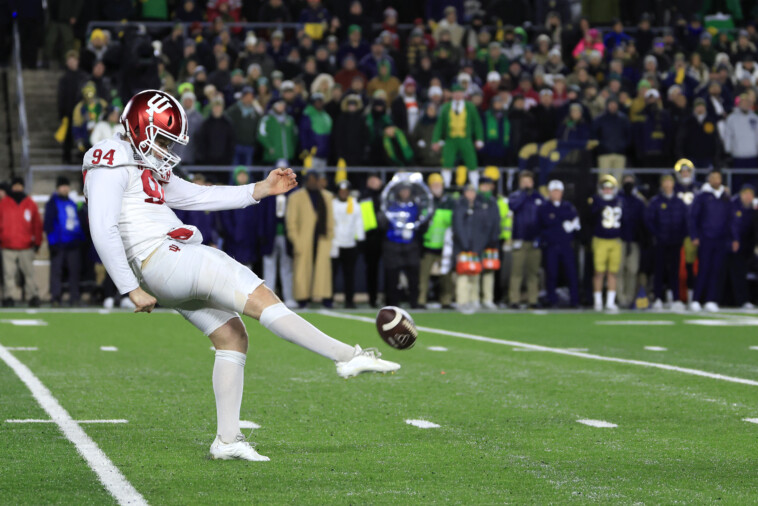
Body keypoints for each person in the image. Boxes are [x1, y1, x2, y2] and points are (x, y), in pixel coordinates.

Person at [83, 90, 397, 463]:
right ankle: (347, 356)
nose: (166, 148)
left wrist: (260, 189)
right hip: (162, 257)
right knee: (258, 293)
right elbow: (102, 226)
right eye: (162, 138)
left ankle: (227, 439)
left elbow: (198, 196)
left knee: (232, 337)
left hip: (164, 266)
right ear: (139, 127)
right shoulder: (109, 156)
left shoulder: (141, 163)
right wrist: (129, 288)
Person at [286, 170, 335, 307]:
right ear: (306, 180)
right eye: (311, 179)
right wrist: (296, 240)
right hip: (304, 239)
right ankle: (302, 298)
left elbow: (331, 220)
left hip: (322, 238)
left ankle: (325, 297)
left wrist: (331, 239)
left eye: (316, 179)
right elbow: (291, 222)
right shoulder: (295, 197)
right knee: (302, 270)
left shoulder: (327, 197)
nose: (313, 182)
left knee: (323, 270)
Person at [689, 170, 732, 312]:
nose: (716, 180)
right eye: (713, 177)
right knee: (703, 269)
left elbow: (730, 219)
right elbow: (693, 217)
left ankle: (710, 299)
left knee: (716, 270)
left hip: (720, 239)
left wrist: (729, 237)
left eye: (718, 177)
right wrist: (694, 235)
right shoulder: (701, 196)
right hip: (706, 238)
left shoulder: (725, 197)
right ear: (709, 180)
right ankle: (696, 299)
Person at [453, 183, 499, 313]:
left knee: (475, 273)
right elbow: (458, 226)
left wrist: (480, 244)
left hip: (477, 246)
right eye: (468, 192)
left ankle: (474, 300)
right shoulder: (460, 206)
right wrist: (465, 244)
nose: (471, 195)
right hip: (463, 246)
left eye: (473, 192)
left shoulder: (479, 207)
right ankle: (462, 301)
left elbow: (485, 227)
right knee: (463, 273)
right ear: (464, 193)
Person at [646, 174, 688, 310]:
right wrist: (657, 235)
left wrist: (681, 236)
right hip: (660, 242)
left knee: (674, 271)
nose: (668, 184)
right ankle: (658, 298)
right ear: (662, 184)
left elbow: (685, 221)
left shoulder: (679, 202)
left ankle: (675, 298)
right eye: (665, 182)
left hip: (675, 242)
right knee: (659, 270)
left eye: (670, 182)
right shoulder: (655, 201)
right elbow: (649, 221)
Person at [0, 177, 42, 307]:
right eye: (15, 185)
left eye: (19, 185)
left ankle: (33, 296)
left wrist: (37, 242)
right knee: (9, 275)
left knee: (29, 273)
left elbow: (37, 224)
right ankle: (9, 297)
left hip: (25, 245)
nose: (17, 188)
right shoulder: (3, 203)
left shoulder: (30, 203)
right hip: (7, 245)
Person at [432, 83, 484, 186]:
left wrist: (479, 138)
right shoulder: (446, 107)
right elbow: (439, 125)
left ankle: (475, 185)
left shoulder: (470, 106)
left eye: (460, 93)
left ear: (463, 94)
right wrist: (435, 140)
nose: (457, 95)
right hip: (450, 139)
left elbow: (477, 123)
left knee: (472, 162)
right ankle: (445, 186)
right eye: (455, 93)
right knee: (447, 163)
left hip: (465, 138)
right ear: (452, 94)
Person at [44, 176, 85, 306]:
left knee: (74, 272)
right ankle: (55, 297)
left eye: (66, 186)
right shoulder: (52, 203)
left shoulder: (72, 203)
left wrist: (81, 239)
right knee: (57, 272)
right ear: (57, 188)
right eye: (62, 186)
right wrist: (52, 242)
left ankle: (74, 297)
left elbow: (78, 223)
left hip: (73, 243)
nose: (65, 188)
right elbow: (48, 224)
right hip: (59, 243)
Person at [538, 180, 580, 308]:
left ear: (562, 192)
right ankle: (552, 300)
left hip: (566, 245)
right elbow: (545, 222)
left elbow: (575, 219)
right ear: (550, 192)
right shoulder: (544, 207)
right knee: (551, 273)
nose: (556, 193)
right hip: (551, 246)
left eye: (558, 191)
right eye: (554, 191)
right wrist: (562, 222)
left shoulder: (568, 206)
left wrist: (569, 224)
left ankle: (574, 301)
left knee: (571, 273)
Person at [380, 182, 422, 308]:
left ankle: (414, 303)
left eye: (407, 190)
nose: (404, 193)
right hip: (393, 245)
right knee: (392, 277)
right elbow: (382, 225)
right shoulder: (390, 207)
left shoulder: (415, 207)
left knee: (413, 277)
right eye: (402, 190)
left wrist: (415, 230)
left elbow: (422, 224)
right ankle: (393, 304)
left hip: (410, 246)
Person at [508, 171, 543, 309]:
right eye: (524, 181)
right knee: (516, 272)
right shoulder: (515, 196)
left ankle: (532, 300)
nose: (527, 184)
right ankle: (514, 300)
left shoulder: (538, 197)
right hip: (519, 239)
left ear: (533, 182)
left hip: (534, 240)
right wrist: (524, 193)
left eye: (529, 181)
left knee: (533, 273)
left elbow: (542, 218)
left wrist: (540, 237)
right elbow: (514, 207)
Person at [419, 173, 454, 309]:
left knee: (446, 276)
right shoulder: (425, 201)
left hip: (445, 246)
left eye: (438, 184)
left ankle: (446, 300)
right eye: (434, 185)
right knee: (423, 277)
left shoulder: (449, 201)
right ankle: (421, 300)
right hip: (428, 245)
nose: (436, 187)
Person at [591, 175, 623, 311]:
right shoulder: (596, 201)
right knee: (599, 272)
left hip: (615, 240)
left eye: (610, 189)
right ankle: (598, 301)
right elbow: (590, 217)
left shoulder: (620, 201)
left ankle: (610, 302)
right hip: (600, 239)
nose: (608, 191)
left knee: (613, 273)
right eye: (605, 188)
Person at [330, 180, 364, 308]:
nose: (343, 193)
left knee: (349, 275)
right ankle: (330, 299)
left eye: (346, 191)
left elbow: (358, 222)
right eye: (341, 191)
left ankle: (349, 301)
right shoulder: (332, 204)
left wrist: (360, 239)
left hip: (350, 244)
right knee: (332, 274)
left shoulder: (355, 204)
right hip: (336, 244)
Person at [617, 174, 646, 308]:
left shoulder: (638, 201)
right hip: (619, 240)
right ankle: (620, 298)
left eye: (631, 182)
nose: (628, 184)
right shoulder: (617, 199)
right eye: (626, 181)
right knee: (619, 270)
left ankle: (629, 298)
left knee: (633, 270)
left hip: (634, 240)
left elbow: (642, 221)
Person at [727, 185, 756, 308]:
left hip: (747, 246)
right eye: (746, 194)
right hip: (732, 244)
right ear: (741, 194)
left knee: (743, 272)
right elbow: (732, 225)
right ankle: (739, 301)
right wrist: (734, 240)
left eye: (751, 194)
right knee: (736, 273)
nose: (748, 197)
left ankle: (744, 300)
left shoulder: (752, 208)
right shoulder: (733, 204)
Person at [592, 98, 631, 183]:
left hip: (620, 154)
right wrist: (601, 147)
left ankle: (617, 196)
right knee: (603, 180)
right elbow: (594, 135)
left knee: (618, 180)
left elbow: (629, 135)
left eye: (615, 104)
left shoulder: (623, 119)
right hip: (604, 154)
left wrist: (623, 147)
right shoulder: (600, 119)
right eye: (611, 104)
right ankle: (602, 196)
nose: (613, 106)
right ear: (607, 105)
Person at [359, 174, 383, 307]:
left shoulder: (386, 194)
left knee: (389, 270)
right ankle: (372, 299)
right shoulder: (364, 196)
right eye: (371, 180)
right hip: (370, 238)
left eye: (376, 180)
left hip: (386, 237)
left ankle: (390, 299)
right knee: (371, 270)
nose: (374, 182)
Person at [225, 86, 260, 166]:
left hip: (249, 145)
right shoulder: (233, 110)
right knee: (235, 168)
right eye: (246, 96)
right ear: (242, 97)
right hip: (236, 145)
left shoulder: (255, 112)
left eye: (251, 96)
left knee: (247, 169)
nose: (248, 99)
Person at [196, 96, 236, 165]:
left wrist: (228, 158)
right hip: (208, 161)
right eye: (215, 106)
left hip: (224, 161)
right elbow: (201, 141)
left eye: (219, 106)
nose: (217, 109)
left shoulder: (228, 123)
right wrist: (203, 157)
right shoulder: (206, 124)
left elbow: (231, 142)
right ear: (212, 108)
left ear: (222, 107)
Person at [258, 98, 298, 165]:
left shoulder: (290, 119)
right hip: (272, 156)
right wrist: (269, 147)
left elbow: (295, 135)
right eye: (278, 105)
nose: (281, 107)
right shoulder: (267, 119)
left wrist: (292, 148)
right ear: (273, 106)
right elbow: (261, 135)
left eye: (282, 105)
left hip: (288, 155)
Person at [299, 93, 333, 170]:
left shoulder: (326, 116)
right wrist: (305, 148)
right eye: (317, 101)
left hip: (324, 153)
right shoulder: (308, 114)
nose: (319, 103)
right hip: (311, 153)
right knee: (310, 177)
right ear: (313, 103)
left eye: (320, 101)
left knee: (321, 178)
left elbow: (329, 135)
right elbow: (304, 133)